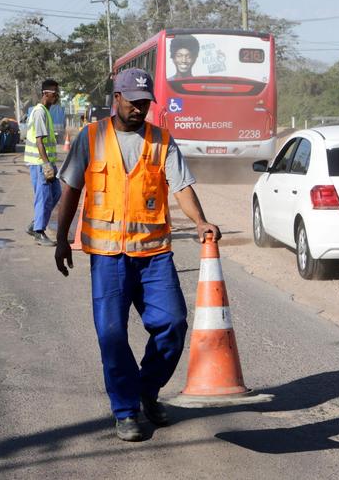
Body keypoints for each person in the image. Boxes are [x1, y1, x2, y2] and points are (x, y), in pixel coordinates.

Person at [53, 68, 221, 442]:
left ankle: (146, 389)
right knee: (111, 335)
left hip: (154, 256)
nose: (139, 109)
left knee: (173, 324)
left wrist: (200, 221)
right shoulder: (91, 137)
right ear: (116, 99)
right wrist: (62, 239)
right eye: (133, 102)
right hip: (108, 257)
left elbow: (182, 186)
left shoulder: (162, 140)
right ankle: (126, 410)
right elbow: (71, 191)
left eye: (145, 103)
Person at [24, 79, 62, 246]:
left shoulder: (46, 112)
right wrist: (46, 165)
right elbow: (39, 142)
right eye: (55, 94)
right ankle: (39, 232)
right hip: (40, 164)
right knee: (44, 197)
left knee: (56, 193)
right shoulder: (39, 112)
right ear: (46, 93)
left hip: (47, 163)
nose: (57, 97)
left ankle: (35, 224)